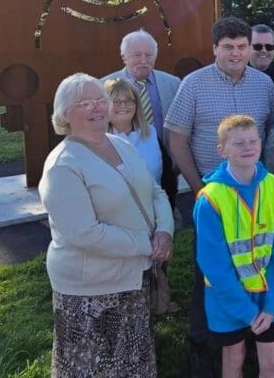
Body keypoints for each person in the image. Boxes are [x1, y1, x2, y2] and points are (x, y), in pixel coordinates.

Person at [165, 16, 274, 377]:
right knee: (212, 273)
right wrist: (200, 188)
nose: (236, 53)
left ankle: (257, 330)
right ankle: (204, 346)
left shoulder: (263, 85)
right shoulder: (194, 85)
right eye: (228, 47)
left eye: (242, 46)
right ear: (214, 48)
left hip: (254, 197)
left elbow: (271, 131)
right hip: (213, 199)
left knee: (256, 263)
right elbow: (177, 139)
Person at [40, 73, 174, 377]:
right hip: (91, 290)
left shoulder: (121, 145)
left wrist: (165, 231)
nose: (97, 108)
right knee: (93, 366)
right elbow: (84, 233)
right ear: (64, 114)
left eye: (100, 100)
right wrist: (147, 244)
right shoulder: (63, 164)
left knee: (133, 362)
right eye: (85, 103)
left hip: (132, 278)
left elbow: (154, 191)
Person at [195, 115, 274, 378]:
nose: (247, 147)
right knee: (234, 359)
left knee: (272, 362)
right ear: (222, 150)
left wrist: (272, 304)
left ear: (261, 143)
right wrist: (247, 313)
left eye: (252, 141)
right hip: (226, 297)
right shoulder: (210, 198)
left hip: (267, 291)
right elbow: (213, 265)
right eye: (238, 143)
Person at [102, 29, 181, 213]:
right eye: (137, 55)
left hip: (165, 164)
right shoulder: (103, 86)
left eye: (149, 55)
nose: (144, 60)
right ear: (124, 56)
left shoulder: (173, 83)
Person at [105, 78, 163, 184]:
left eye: (128, 100)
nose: (123, 105)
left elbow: (166, 178)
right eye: (116, 101)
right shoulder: (99, 140)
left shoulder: (151, 133)